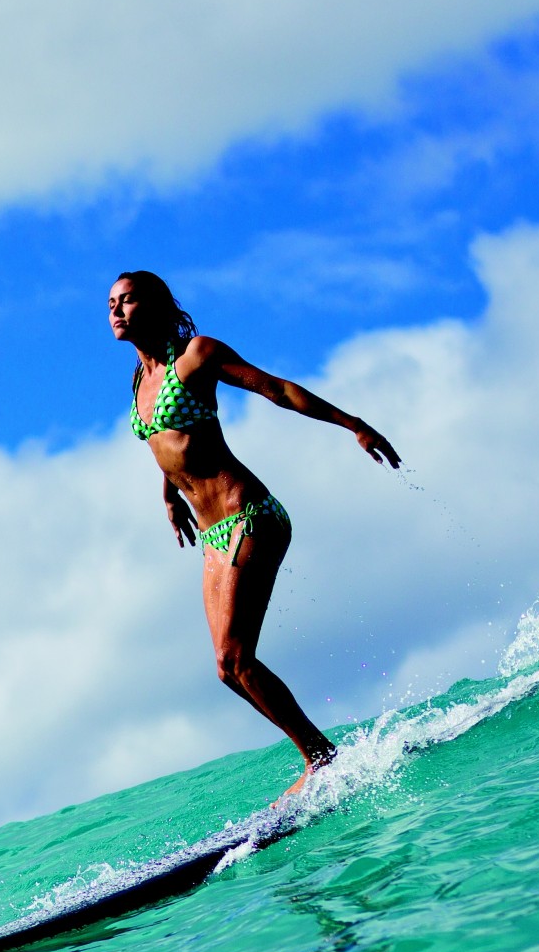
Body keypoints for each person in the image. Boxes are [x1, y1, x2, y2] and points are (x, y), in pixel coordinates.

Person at [111, 270, 401, 797]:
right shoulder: (139, 379)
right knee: (227, 670)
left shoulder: (196, 355)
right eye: (110, 303)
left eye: (127, 301)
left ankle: (320, 756)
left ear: (155, 306)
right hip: (212, 532)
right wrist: (168, 495)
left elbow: (276, 389)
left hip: (250, 515)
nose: (115, 311)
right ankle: (320, 754)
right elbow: (167, 442)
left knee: (234, 658)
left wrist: (353, 423)